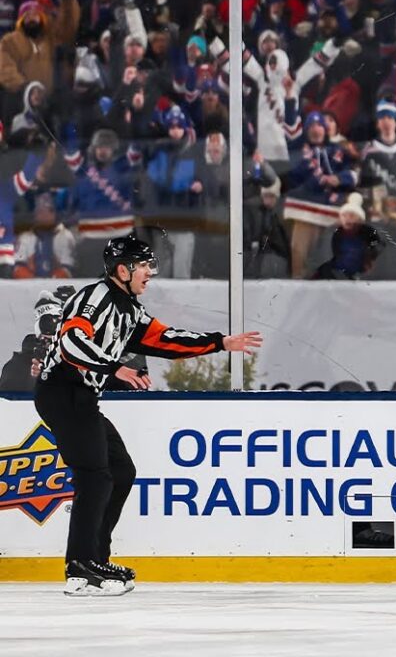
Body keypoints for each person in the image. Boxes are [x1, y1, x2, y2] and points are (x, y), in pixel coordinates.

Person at [35, 235, 262, 596]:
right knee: (94, 477)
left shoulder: (130, 309)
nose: (149, 273)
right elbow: (71, 342)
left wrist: (220, 342)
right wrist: (114, 368)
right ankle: (80, 565)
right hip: (62, 393)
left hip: (81, 398)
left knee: (121, 472)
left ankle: (95, 558)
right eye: (143, 266)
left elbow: (166, 340)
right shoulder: (94, 298)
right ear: (122, 270)